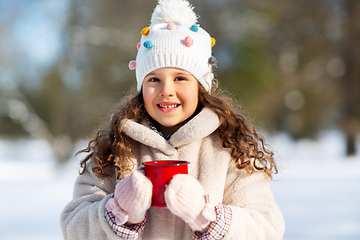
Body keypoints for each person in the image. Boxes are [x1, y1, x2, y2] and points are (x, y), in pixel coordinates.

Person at [60, 0, 285, 239]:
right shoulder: (116, 147)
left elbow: (267, 228)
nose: (166, 90)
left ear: (201, 87)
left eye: (180, 78)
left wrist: (207, 217)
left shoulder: (230, 147)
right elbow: (74, 225)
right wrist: (118, 212)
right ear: (141, 88)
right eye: (154, 79)